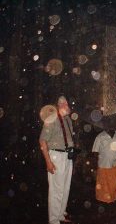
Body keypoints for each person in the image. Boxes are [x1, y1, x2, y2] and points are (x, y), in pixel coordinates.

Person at [39, 96, 74, 224]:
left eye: (67, 103)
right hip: (56, 156)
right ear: (60, 105)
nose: (68, 105)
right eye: (65, 103)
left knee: (65, 187)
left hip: (67, 157)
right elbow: (42, 141)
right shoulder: (51, 118)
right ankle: (53, 220)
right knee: (56, 189)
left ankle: (60, 215)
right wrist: (48, 161)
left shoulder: (68, 120)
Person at [92, 129, 116, 204]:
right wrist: (97, 162)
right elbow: (95, 151)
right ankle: (103, 201)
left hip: (115, 165)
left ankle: (113, 199)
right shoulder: (100, 136)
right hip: (103, 165)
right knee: (103, 184)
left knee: (114, 183)